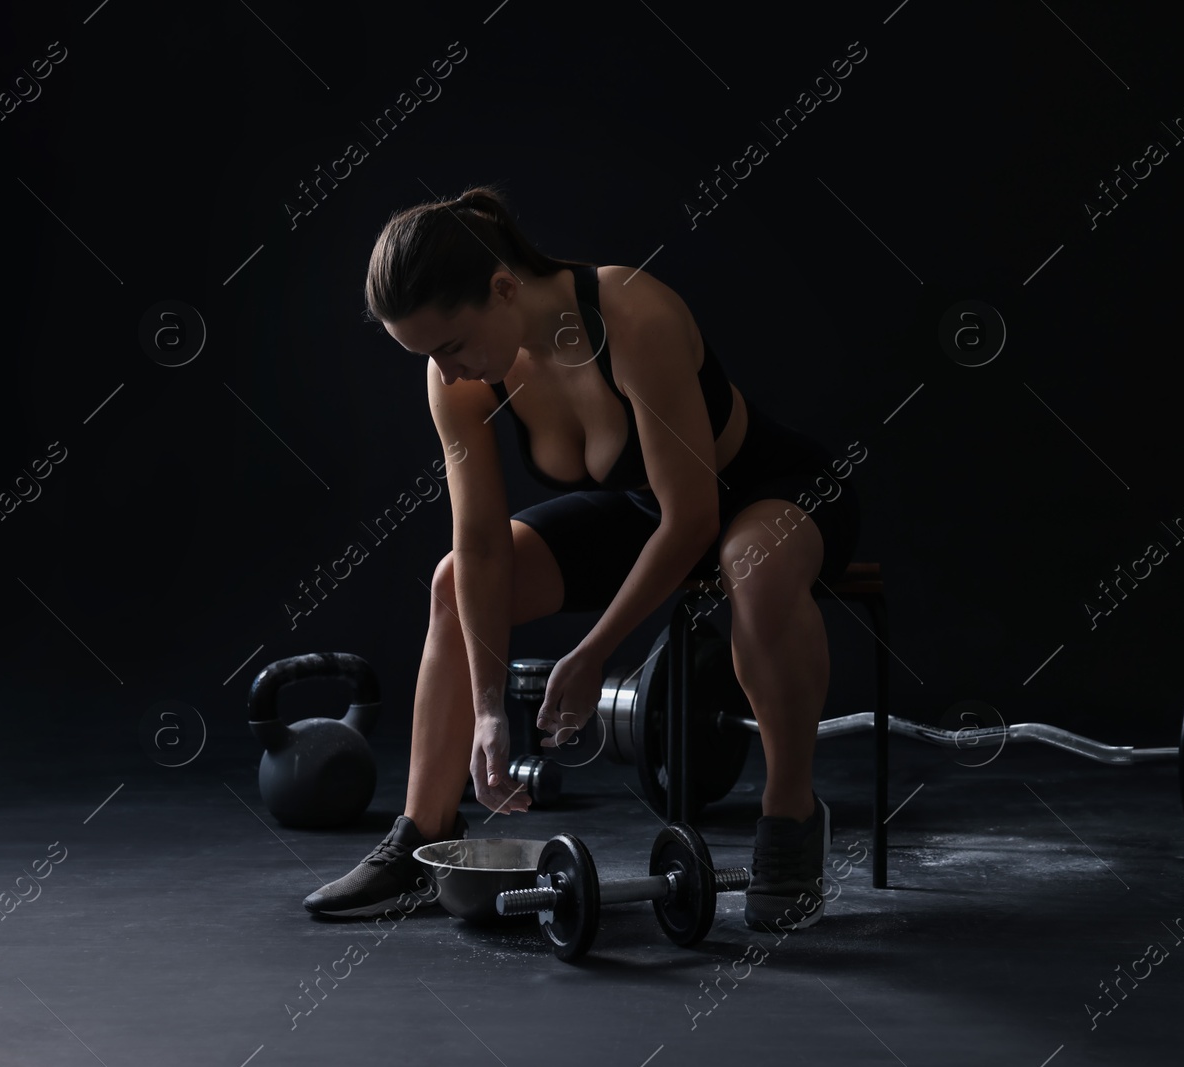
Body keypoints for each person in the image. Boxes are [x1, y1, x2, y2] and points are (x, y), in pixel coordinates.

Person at [302, 184, 862, 932]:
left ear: (503, 289)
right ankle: (422, 839)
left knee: (749, 560)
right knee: (450, 583)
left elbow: (694, 513)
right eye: (429, 355)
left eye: (451, 346)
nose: (447, 371)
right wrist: (491, 707)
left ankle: (790, 817)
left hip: (768, 492)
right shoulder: (456, 376)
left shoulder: (631, 315)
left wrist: (596, 650)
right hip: (642, 510)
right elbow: (481, 541)